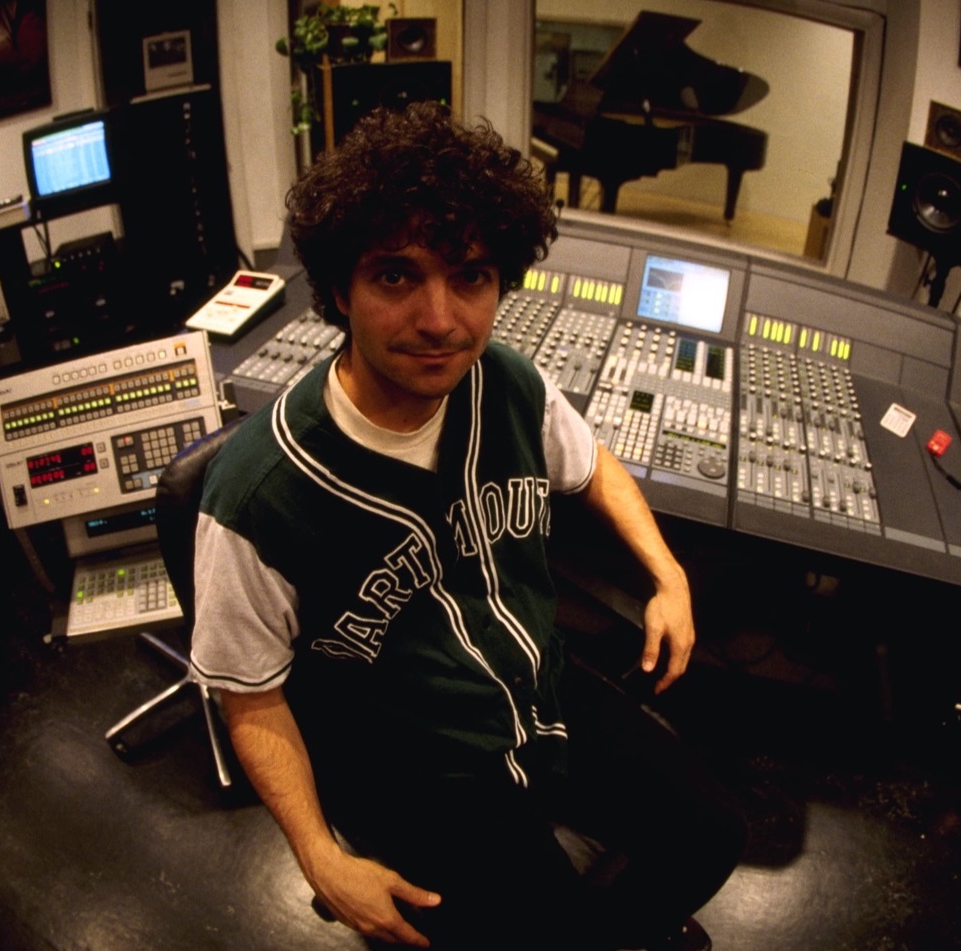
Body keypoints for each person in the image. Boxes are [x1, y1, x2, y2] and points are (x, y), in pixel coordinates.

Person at [189, 102, 745, 950]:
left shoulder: (508, 384)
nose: (441, 320)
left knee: (712, 834)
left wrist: (665, 573)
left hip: (540, 697)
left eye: (470, 275)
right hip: (419, 775)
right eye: (396, 276)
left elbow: (591, 463)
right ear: (339, 288)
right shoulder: (256, 495)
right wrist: (317, 855)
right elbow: (246, 690)